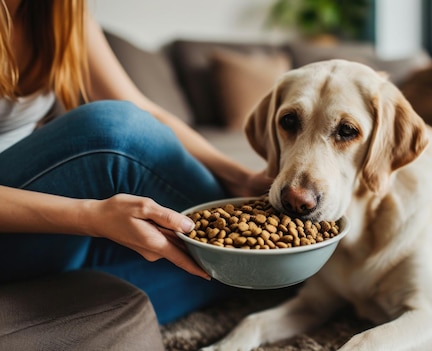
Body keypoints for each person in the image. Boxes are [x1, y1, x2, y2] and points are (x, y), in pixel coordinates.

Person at [0, 0, 272, 325]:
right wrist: (91, 216)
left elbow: (145, 109)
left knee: (216, 273)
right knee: (111, 128)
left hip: (37, 238)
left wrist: (238, 176)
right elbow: (125, 126)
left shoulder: (60, 10)